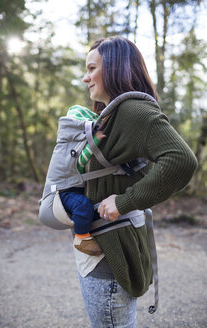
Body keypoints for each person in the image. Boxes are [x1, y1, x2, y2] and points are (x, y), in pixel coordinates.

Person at [73, 36, 198, 328]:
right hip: (99, 248)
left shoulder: (134, 111)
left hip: (111, 251)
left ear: (115, 68)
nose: (85, 77)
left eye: (92, 68)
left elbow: (181, 159)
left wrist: (124, 202)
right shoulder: (112, 115)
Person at [59, 105, 105, 256]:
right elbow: (79, 163)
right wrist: (95, 141)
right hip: (66, 191)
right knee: (82, 205)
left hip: (77, 188)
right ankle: (81, 237)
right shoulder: (70, 147)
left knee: (88, 206)